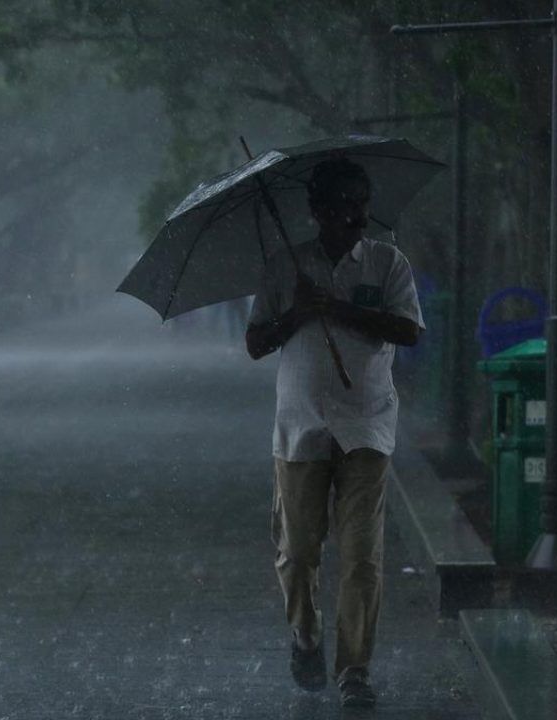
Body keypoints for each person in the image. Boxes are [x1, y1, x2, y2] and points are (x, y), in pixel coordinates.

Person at [244, 158, 424, 709]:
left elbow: (408, 330)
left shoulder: (387, 263)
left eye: (362, 203)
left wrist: (339, 308)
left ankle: (354, 669)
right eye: (344, 205)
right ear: (318, 211)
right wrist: (297, 314)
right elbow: (256, 343)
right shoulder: (284, 267)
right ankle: (305, 635)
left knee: (361, 554)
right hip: (300, 428)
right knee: (298, 552)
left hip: (366, 425)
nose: (357, 216)